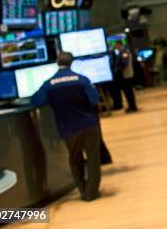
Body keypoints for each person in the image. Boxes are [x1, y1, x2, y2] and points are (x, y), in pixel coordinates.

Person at [31, 52, 102, 202]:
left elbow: (36, 101)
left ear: (58, 63)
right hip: (88, 125)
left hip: (68, 128)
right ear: (71, 63)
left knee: (75, 160)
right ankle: (91, 192)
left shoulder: (49, 83)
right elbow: (94, 99)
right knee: (93, 158)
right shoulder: (82, 80)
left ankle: (82, 191)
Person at [112, 41, 138, 113]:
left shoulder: (124, 52)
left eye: (116, 45)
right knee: (128, 92)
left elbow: (124, 63)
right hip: (126, 75)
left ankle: (132, 107)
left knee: (128, 92)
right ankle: (131, 106)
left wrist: (117, 70)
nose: (115, 47)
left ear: (119, 44)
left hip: (126, 75)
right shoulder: (123, 51)